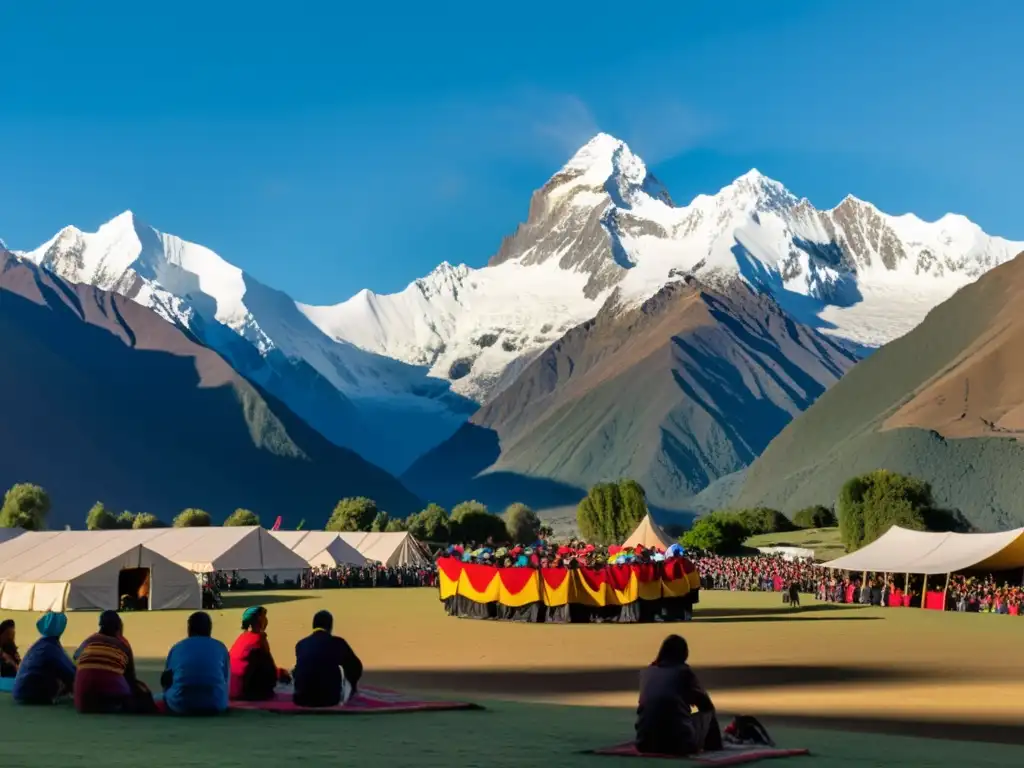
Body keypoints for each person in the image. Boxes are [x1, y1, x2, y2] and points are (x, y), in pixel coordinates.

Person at [636, 635, 722, 756]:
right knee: (709, 712)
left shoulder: (646, 672)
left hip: (644, 743)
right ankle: (716, 747)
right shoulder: (684, 672)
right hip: (680, 745)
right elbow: (705, 705)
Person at [73, 610, 155, 714]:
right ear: (119, 626)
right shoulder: (123, 644)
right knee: (142, 693)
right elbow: (130, 676)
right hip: (114, 703)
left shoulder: (89, 641)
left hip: (83, 704)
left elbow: (76, 656)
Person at [161, 611, 230, 715]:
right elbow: (226, 678)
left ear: (189, 629)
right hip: (215, 704)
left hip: (180, 705)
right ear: (209, 629)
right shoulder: (220, 647)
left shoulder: (177, 647)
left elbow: (166, 678)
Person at [292, 610, 363, 707]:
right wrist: (353, 686)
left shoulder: (301, 644)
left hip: (301, 699)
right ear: (330, 626)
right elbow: (356, 667)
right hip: (329, 700)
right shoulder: (337, 643)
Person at [12, 612, 77, 705]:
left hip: (19, 692)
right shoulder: (52, 648)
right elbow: (70, 673)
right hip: (33, 693)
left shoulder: (39, 645)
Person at [229, 606, 291, 701]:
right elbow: (269, 667)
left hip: (231, 688)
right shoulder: (258, 638)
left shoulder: (242, 638)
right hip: (245, 690)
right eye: (264, 616)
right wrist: (281, 674)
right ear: (259, 619)